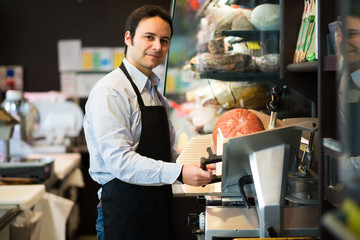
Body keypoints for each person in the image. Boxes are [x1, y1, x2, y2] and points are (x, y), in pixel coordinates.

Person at [83, 5, 213, 240]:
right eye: (149, 37)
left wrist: (192, 162)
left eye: (164, 40)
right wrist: (180, 172)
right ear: (128, 38)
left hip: (157, 212)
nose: (157, 47)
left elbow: (161, 153)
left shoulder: (154, 91)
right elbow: (120, 162)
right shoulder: (111, 91)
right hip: (124, 216)